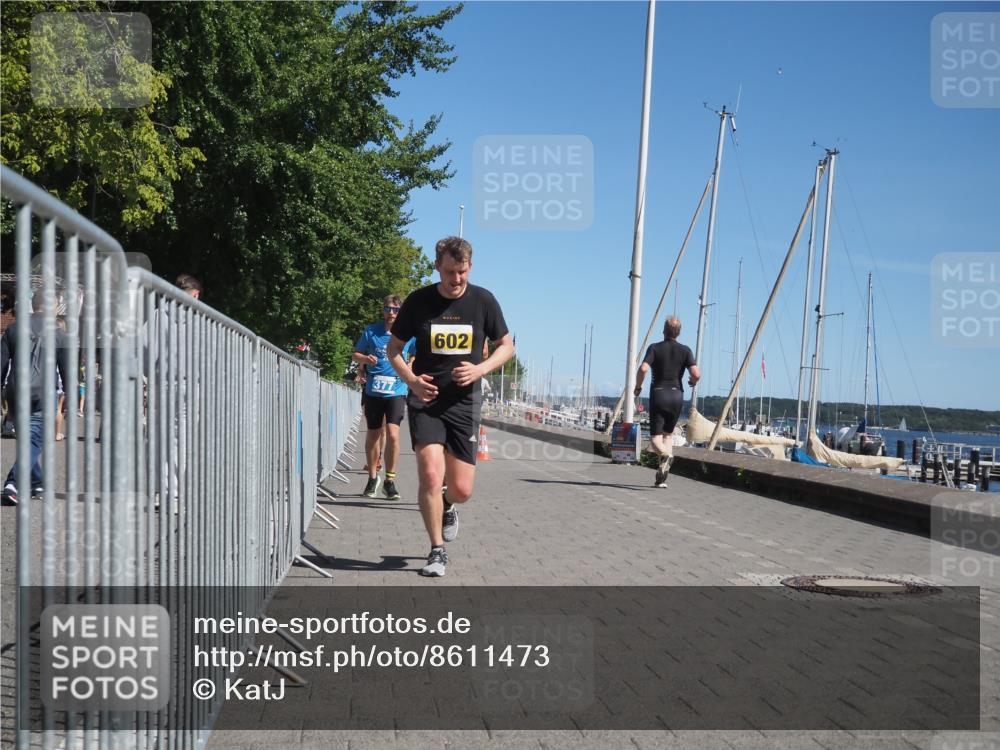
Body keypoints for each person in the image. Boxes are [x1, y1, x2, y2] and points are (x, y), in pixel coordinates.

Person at [387, 236, 514, 577]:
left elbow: (506, 346)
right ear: (437, 267)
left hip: (464, 402)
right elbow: (393, 350)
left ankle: (446, 505)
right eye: (449, 273)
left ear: (469, 267)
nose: (456, 280)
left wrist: (480, 369)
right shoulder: (418, 302)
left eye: (462, 272)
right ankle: (436, 551)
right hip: (426, 400)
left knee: (462, 489)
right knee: (430, 473)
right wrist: (411, 381)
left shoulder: (484, 301)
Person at [1, 289, 71, 504]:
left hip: (15, 393)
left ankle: (37, 482)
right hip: (43, 394)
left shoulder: (12, 330)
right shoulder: (60, 334)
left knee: (28, 439)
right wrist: (68, 395)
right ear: (54, 306)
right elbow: (67, 369)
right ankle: (14, 483)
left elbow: (1, 364)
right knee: (34, 441)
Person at [352, 295, 415, 501]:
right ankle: (372, 478)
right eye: (388, 309)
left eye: (396, 310)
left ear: (401, 312)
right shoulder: (371, 331)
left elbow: (415, 352)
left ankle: (390, 481)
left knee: (393, 435)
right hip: (374, 390)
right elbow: (356, 354)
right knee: (372, 436)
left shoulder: (407, 333)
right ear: (383, 310)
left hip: (397, 389)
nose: (391, 313)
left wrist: (411, 364)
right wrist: (365, 358)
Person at [633, 316, 700, 488]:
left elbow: (643, 369)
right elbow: (696, 373)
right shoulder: (685, 350)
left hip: (659, 395)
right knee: (668, 435)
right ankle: (662, 478)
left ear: (664, 330)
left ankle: (665, 456)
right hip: (677, 396)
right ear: (679, 333)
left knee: (655, 439)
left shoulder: (655, 348)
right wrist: (693, 382)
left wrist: (638, 387)